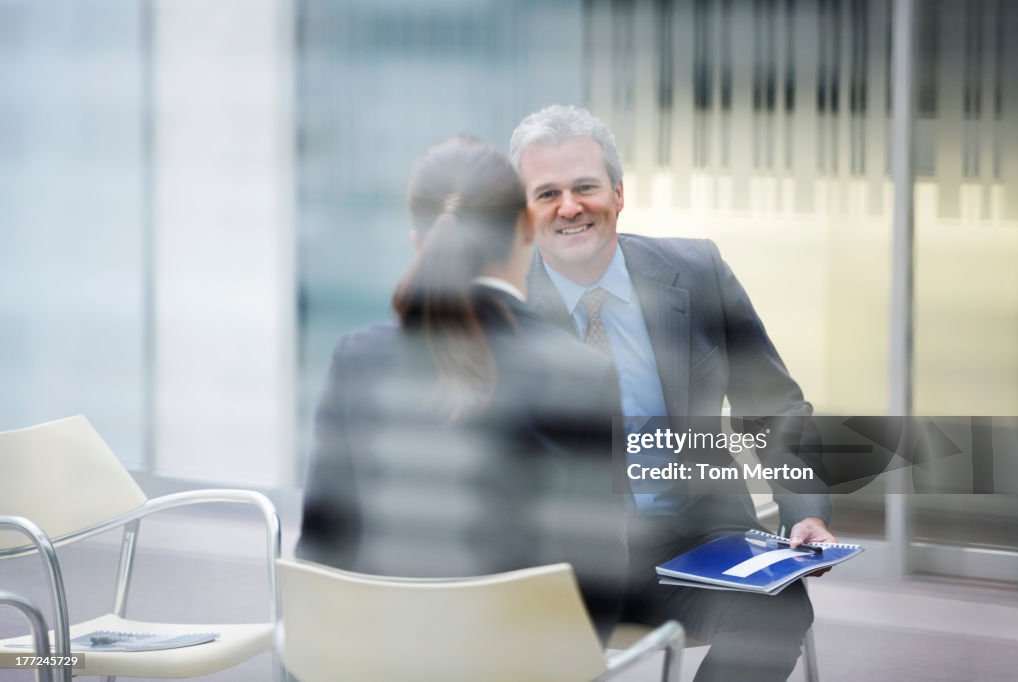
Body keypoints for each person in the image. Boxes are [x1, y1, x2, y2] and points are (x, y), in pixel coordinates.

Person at [510, 105, 834, 681]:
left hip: (694, 547)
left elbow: (776, 406)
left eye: (585, 187)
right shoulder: (498, 311)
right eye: (547, 193)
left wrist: (803, 513)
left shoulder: (698, 271)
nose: (569, 207)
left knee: (776, 611)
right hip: (557, 568)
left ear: (617, 192)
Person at [296, 135, 627, 636]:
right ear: (525, 227)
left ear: (418, 242)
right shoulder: (580, 372)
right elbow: (598, 589)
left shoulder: (358, 358)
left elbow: (320, 551)